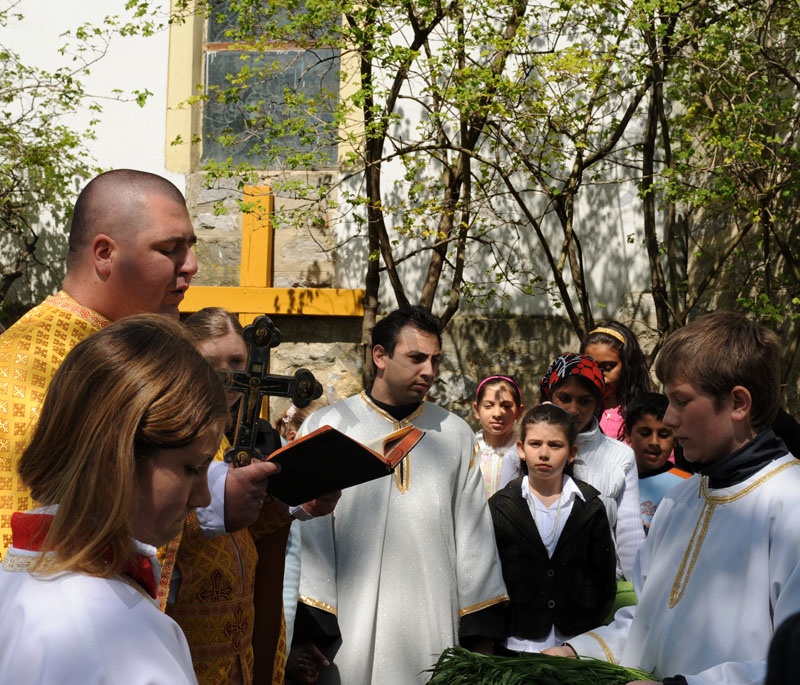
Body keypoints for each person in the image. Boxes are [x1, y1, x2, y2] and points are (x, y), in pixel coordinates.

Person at [0, 169, 276, 557]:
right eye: (169, 249)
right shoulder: (25, 370)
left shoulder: (154, 350)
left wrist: (270, 498)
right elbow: (41, 532)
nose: (191, 266)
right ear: (104, 254)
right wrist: (215, 500)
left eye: (190, 247)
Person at [545, 312, 800, 685]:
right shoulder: (680, 501)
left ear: (738, 404)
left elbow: (791, 664)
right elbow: (647, 620)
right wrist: (577, 652)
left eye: (681, 401)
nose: (669, 418)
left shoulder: (791, 504)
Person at [0, 315, 229, 684]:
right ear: (118, 458)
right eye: (192, 468)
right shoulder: (126, 637)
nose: (202, 497)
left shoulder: (17, 579)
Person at [293, 305, 508, 684]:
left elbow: (475, 541)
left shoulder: (455, 435)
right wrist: (306, 632)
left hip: (432, 628)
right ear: (380, 355)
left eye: (435, 360)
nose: (429, 371)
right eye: (416, 358)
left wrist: (481, 641)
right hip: (346, 636)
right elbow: (308, 539)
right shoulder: (328, 427)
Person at [177, 307, 338, 685]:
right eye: (212, 363)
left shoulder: (245, 434)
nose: (230, 377)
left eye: (237, 361)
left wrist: (296, 506)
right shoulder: (170, 433)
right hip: (186, 633)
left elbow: (244, 530)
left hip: (238, 635)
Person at [489, 403, 616, 653]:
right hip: (515, 643)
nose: (544, 453)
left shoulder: (589, 506)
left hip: (573, 644)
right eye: (535, 444)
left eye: (555, 445)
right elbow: (488, 576)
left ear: (572, 452)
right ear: (521, 449)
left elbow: (604, 579)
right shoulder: (501, 507)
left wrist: (584, 635)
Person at [535, 353, 644, 583]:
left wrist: (640, 596)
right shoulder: (523, 453)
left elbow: (630, 535)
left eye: (584, 401)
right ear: (550, 395)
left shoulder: (620, 456)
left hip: (599, 590)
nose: (573, 409)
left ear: (597, 403)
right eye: (564, 398)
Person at [624, 393, 689, 535]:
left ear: (675, 437)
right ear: (628, 434)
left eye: (664, 435)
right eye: (645, 433)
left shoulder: (688, 486)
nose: (654, 442)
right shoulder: (616, 479)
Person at [581, 321, 654, 441]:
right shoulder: (577, 411)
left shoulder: (646, 413)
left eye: (608, 367)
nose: (599, 375)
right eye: (591, 367)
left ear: (628, 365)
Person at [473, 375, 525, 496]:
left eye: (506, 406)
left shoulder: (523, 450)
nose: (497, 413)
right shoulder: (469, 448)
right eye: (488, 406)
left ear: (519, 411)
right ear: (476, 410)